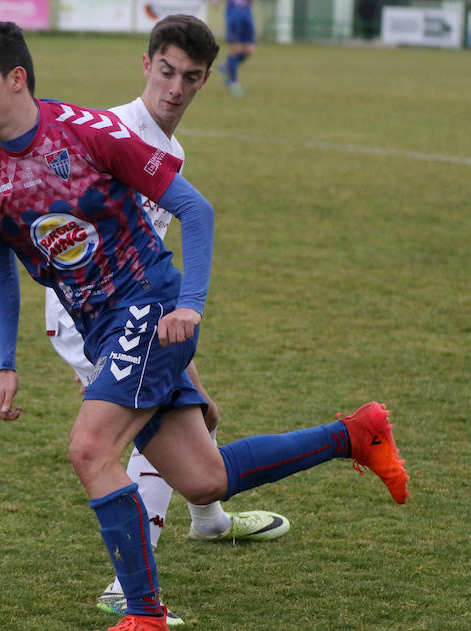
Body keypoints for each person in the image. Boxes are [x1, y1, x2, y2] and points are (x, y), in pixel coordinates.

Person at [0, 21, 408, 631]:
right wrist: (5, 362)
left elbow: (195, 208)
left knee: (91, 449)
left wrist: (190, 304)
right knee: (202, 477)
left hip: (149, 305)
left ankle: (143, 612)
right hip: (98, 326)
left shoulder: (89, 134)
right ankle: (355, 433)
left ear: (16, 79)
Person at [41, 14, 289, 626]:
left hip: (141, 308)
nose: (175, 88)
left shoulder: (171, 150)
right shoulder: (110, 133)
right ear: (146, 64)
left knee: (201, 412)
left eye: (191, 77)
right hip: (89, 318)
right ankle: (129, 584)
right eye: (167, 71)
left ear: (204, 81)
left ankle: (208, 520)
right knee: (149, 429)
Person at [218, 0, 256, 97]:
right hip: (234, 15)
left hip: (247, 14)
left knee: (250, 50)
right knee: (234, 50)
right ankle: (234, 85)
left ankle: (228, 66)